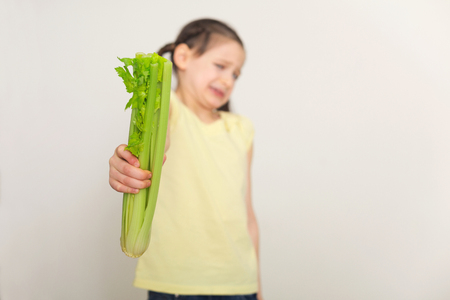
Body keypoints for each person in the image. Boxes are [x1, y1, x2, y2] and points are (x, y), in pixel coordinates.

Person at [109, 18, 263, 300]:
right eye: (220, 66)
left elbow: (248, 218)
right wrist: (125, 164)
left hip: (239, 284)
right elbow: (158, 136)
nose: (228, 80)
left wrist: (257, 288)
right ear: (182, 57)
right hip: (178, 284)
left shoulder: (241, 129)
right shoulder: (169, 107)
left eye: (236, 74)